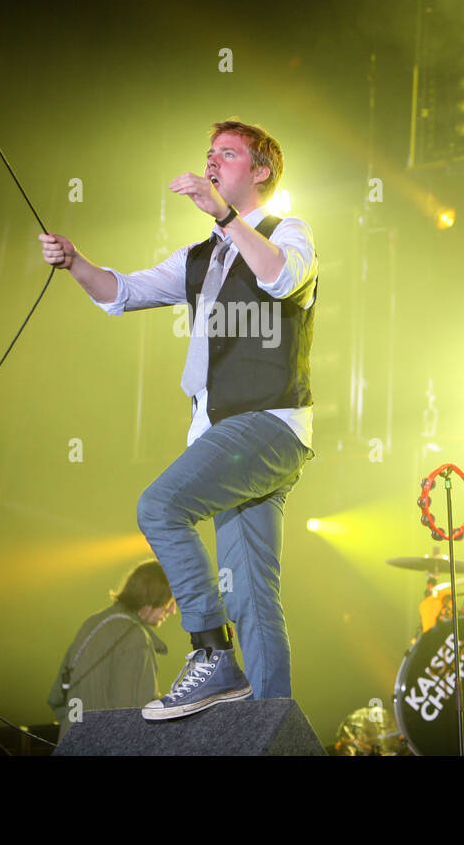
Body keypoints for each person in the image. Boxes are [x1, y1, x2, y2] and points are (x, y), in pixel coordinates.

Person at [39, 119, 317, 720]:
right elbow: (123, 291)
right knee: (252, 599)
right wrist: (76, 261)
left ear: (261, 171)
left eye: (229, 154)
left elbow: (282, 277)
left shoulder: (284, 230)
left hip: (266, 424)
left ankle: (211, 654)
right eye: (209, 153)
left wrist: (224, 217)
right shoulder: (199, 258)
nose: (213, 162)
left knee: (160, 507)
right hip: (226, 437)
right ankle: (269, 731)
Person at [47, 560, 176, 738]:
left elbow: (57, 698)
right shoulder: (136, 638)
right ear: (152, 598)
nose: (172, 611)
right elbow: (135, 718)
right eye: (169, 602)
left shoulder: (91, 624)